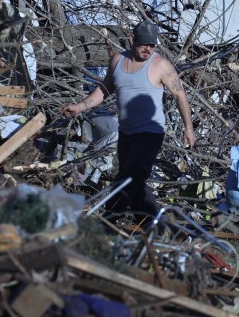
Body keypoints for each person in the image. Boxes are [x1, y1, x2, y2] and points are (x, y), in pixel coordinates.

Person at [61, 21, 196, 219]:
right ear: (132, 40)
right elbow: (105, 90)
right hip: (126, 133)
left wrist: (189, 128)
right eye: (144, 44)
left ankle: (110, 218)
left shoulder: (160, 65)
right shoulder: (117, 61)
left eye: (152, 45)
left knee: (130, 176)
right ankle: (151, 224)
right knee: (135, 181)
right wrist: (80, 107)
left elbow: (180, 95)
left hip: (150, 133)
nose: (148, 49)